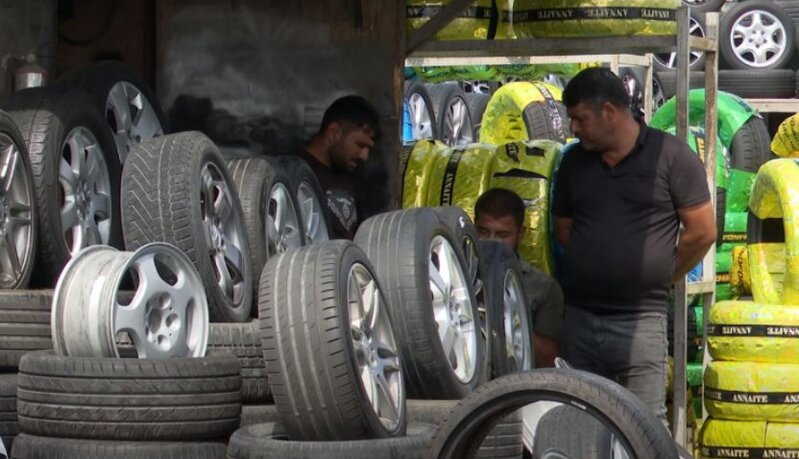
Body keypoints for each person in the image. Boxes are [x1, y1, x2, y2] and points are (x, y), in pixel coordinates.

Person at [552, 67, 716, 424]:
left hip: (640, 321)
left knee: (644, 425)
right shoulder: (573, 163)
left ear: (609, 111)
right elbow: (564, 230)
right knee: (578, 420)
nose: (573, 128)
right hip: (580, 319)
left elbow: (702, 231)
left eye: (580, 118)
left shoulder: (671, 156)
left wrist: (663, 274)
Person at [474, 188, 565, 368]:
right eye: (483, 232)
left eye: (502, 235)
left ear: (520, 234)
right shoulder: (455, 274)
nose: (492, 242)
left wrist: (511, 318)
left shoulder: (543, 287)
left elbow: (549, 359)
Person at [299, 95, 380, 240]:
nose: (364, 156)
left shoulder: (353, 176)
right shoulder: (296, 172)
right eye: (360, 145)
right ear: (334, 133)